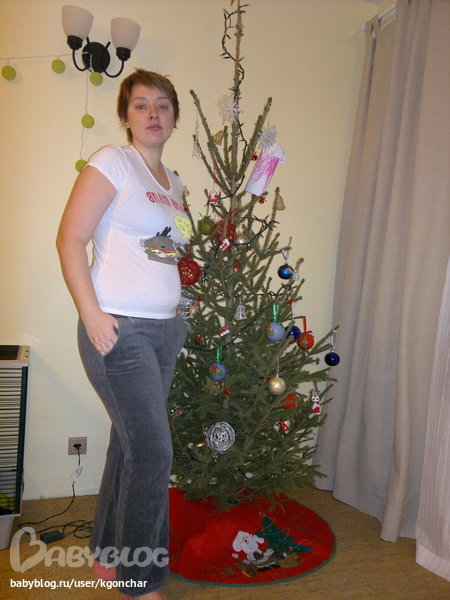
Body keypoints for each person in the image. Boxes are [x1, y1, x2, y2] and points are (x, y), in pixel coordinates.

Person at [56, 69, 191, 600]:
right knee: (153, 452)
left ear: (173, 117)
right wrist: (91, 314)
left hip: (165, 332)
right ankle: (141, 581)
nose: (153, 113)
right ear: (126, 115)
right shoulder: (113, 161)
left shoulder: (173, 184)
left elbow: (161, 253)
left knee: (129, 445)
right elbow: (71, 239)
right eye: (141, 104)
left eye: (163, 104)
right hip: (118, 328)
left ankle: (110, 555)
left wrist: (181, 301)